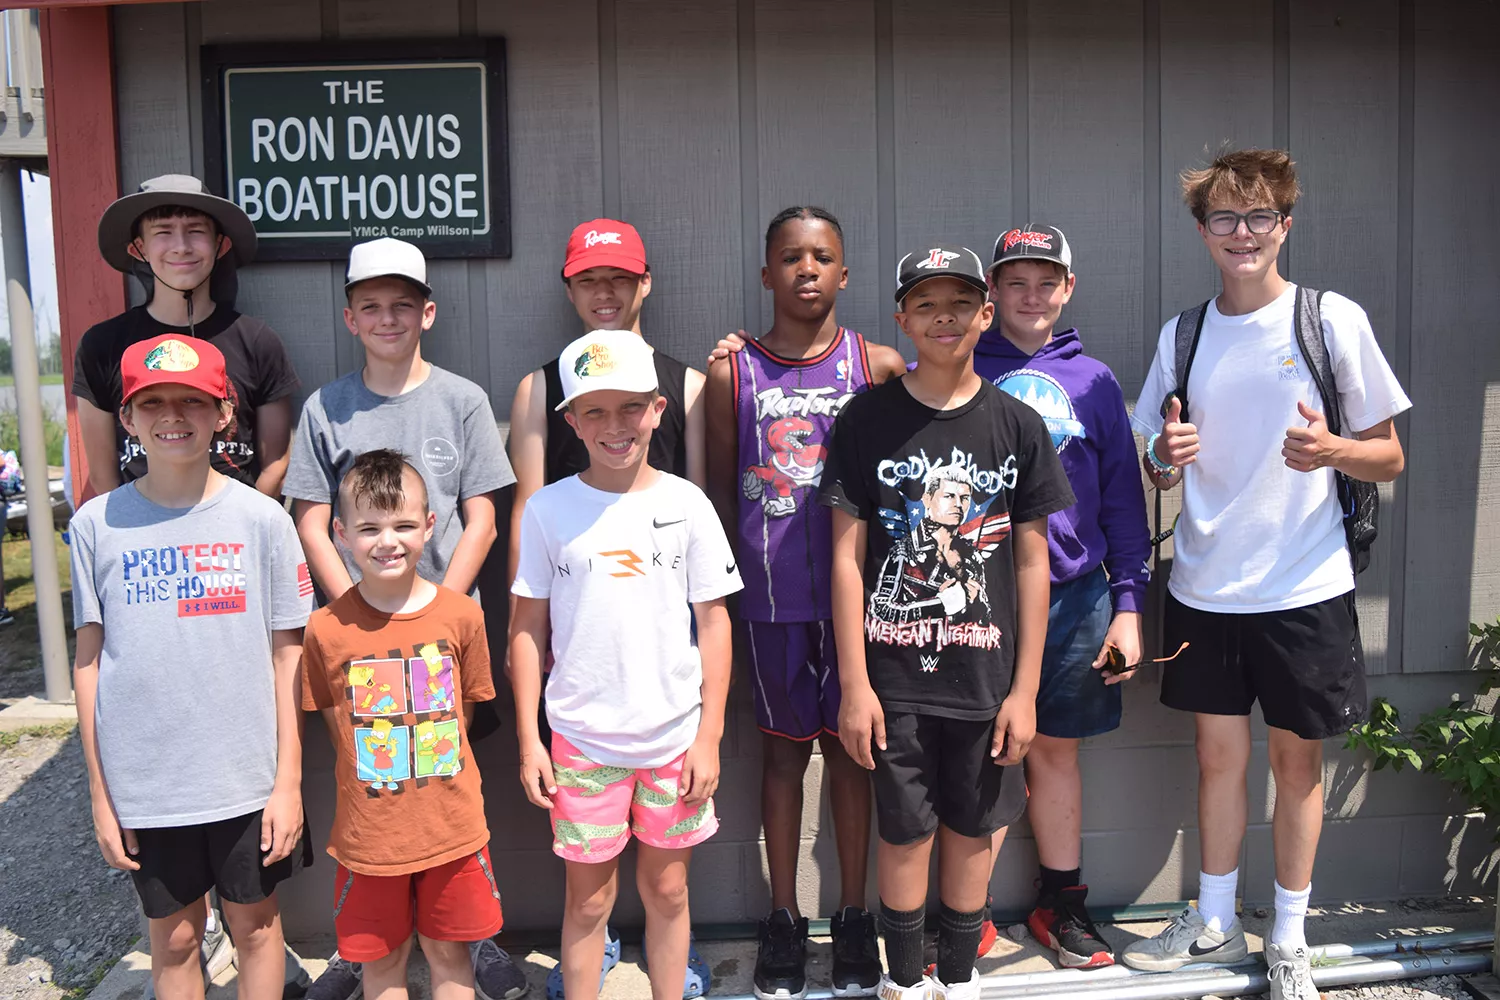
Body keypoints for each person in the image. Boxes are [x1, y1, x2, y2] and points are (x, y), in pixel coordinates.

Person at [1121, 149, 1409, 1000]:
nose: (1241, 233)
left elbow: (1390, 455)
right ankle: (1214, 919)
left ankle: (1288, 938)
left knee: (1295, 767)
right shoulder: (1183, 335)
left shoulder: (1331, 320)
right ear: (1202, 230)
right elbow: (1153, 457)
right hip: (1204, 586)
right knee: (1217, 761)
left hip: (1305, 588)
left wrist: (1333, 449)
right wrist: (1164, 455)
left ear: (1285, 225)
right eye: (1224, 217)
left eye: (1258, 217)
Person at [818, 247, 1075, 1000]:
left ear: (985, 313)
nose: (944, 318)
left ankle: (958, 981)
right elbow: (846, 561)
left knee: (971, 835)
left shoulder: (1017, 425)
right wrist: (855, 685)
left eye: (960, 303)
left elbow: (1032, 563)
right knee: (905, 835)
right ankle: (903, 983)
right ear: (902, 318)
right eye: (926, 304)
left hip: (986, 684)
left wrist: (1025, 691)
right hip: (892, 683)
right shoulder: (867, 419)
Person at [282, 238, 522, 1000]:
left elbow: (483, 518)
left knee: (448, 782)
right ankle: (365, 949)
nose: (388, 319)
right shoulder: (325, 408)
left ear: (429, 313)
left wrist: (433, 614)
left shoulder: (463, 400)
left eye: (402, 305)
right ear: (350, 318)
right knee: (371, 780)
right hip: (359, 647)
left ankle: (470, 937)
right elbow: (311, 520)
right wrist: (356, 613)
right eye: (371, 306)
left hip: (445, 639)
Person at [69, 333, 312, 1000]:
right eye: (153, 403)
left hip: (247, 777)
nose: (173, 416)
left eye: (193, 401)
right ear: (126, 418)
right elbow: (88, 663)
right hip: (148, 783)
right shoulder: (95, 526)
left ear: (224, 413)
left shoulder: (263, 521)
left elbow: (288, 653)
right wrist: (101, 794)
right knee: (175, 939)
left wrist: (288, 782)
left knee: (256, 927)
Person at [704, 207, 905, 1000]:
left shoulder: (876, 364)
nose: (807, 269)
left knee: (853, 756)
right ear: (767, 274)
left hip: (859, 605)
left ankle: (853, 915)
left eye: (822, 257)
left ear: (844, 274)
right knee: (783, 758)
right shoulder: (734, 373)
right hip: (772, 604)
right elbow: (723, 493)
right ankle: (783, 917)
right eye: (791, 257)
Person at [505, 219, 707, 999]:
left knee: (668, 882)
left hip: (661, 677)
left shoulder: (689, 385)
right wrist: (542, 648)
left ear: (644, 283)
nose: (605, 292)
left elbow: (700, 521)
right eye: (589, 279)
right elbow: (530, 527)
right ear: (569, 289)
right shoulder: (539, 389)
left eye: (618, 277)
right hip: (583, 663)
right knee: (588, 893)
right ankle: (598, 955)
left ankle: (672, 962)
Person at [969, 225, 1151, 969]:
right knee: (981, 754)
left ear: (1068, 289)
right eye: (1016, 282)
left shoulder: (1094, 381)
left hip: (1075, 597)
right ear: (992, 292)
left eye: (1047, 282)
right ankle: (965, 912)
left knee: (1054, 753)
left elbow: (1123, 502)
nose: (1031, 296)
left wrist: (1129, 607)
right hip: (979, 597)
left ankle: (1061, 905)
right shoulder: (955, 365)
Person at [302, 449, 503, 1000]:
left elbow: (464, 713)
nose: (387, 541)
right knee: (383, 963)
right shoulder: (325, 629)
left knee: (450, 955)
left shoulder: (463, 616)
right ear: (341, 533)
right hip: (370, 841)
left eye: (403, 525)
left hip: (452, 832)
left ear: (430, 526)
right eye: (369, 528)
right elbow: (337, 723)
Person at [73, 174, 300, 501]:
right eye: (163, 232)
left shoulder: (258, 342)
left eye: (195, 231)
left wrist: (244, 521)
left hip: (236, 526)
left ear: (220, 244)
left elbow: (276, 463)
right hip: (143, 527)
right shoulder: (102, 346)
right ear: (139, 248)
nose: (181, 246)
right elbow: (102, 472)